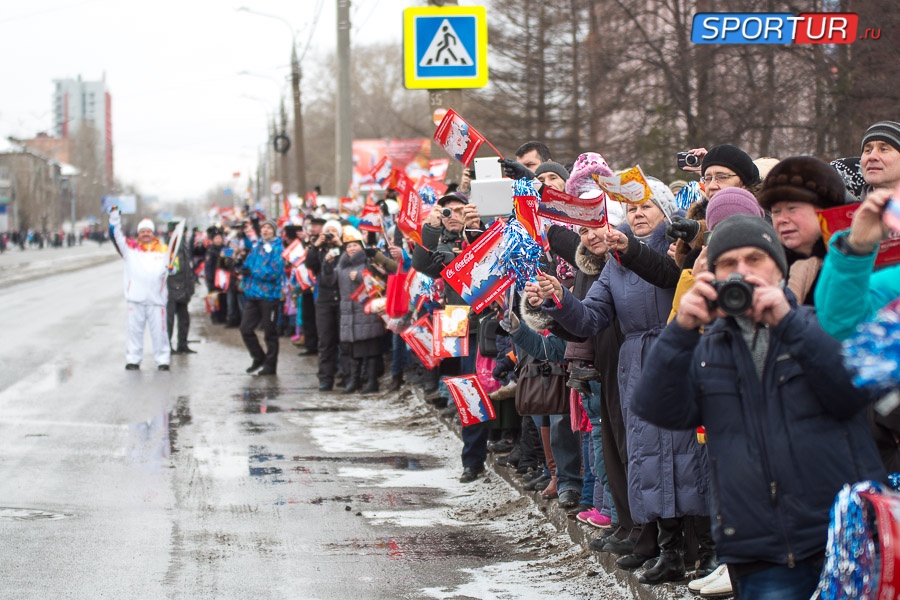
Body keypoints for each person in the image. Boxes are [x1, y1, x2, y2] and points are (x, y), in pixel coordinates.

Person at [632, 214, 886, 600]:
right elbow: (656, 407)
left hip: (840, 538)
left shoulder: (816, 325)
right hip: (756, 549)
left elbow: (851, 391)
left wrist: (787, 323)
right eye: (729, 264)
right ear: (713, 277)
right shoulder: (705, 349)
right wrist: (681, 328)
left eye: (755, 260)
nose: (743, 272)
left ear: (779, 270)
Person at [526, 178, 711, 584]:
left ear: (665, 210)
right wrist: (560, 298)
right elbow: (590, 319)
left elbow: (668, 275)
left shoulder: (682, 247)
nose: (638, 214)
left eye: (646, 206)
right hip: (634, 368)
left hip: (680, 357)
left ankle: (702, 551)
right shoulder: (614, 261)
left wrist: (630, 250)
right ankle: (668, 550)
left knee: (686, 458)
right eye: (631, 209)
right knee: (646, 459)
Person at [412, 191, 489, 483]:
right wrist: (430, 229)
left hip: (483, 320)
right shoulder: (441, 241)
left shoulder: (482, 232)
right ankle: (472, 459)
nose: (453, 215)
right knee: (462, 389)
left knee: (479, 385)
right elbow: (421, 264)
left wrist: (476, 228)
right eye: (447, 211)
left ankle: (478, 453)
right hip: (454, 318)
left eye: (459, 209)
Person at [756, 156, 848, 304]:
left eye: (792, 209)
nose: (782, 219)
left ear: (823, 211)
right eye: (776, 212)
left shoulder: (848, 267)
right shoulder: (766, 267)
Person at [108, 209, 171, 371]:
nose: (145, 234)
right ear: (138, 234)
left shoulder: (164, 250)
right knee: (134, 331)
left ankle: (163, 359)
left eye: (148, 231)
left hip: (157, 299)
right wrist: (115, 218)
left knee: (160, 333)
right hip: (135, 298)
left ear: (153, 233)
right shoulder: (130, 249)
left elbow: (174, 267)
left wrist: (172, 269)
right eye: (142, 231)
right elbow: (116, 235)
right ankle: (133, 359)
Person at [335, 226, 393, 394]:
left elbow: (381, 279)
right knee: (353, 349)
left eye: (355, 245)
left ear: (361, 245)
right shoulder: (342, 263)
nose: (352, 249)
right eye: (348, 246)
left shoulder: (369, 260)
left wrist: (361, 276)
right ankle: (355, 380)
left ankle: (372, 381)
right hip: (349, 312)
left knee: (371, 348)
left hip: (368, 310)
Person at [239, 219, 285, 376]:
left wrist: (252, 272)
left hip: (269, 295)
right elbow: (248, 264)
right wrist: (241, 268)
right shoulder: (256, 246)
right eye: (263, 228)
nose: (265, 230)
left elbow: (275, 272)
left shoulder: (278, 248)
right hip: (253, 294)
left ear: (274, 231)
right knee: (245, 329)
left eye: (269, 228)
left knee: (269, 333)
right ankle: (259, 357)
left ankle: (270, 366)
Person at [305, 219, 345, 391]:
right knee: (326, 341)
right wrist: (316, 245)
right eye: (327, 232)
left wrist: (340, 244)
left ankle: (345, 376)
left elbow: (353, 259)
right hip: (324, 299)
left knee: (344, 341)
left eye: (333, 232)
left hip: (342, 298)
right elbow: (309, 264)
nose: (330, 235)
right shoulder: (319, 250)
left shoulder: (345, 247)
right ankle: (326, 378)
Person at [166, 222, 196, 354]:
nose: (181, 234)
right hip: (171, 290)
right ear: (170, 233)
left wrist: (190, 286)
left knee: (184, 319)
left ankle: (182, 344)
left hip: (184, 289)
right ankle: (167, 346)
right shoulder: (167, 247)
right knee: (169, 321)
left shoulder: (183, 245)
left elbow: (187, 268)